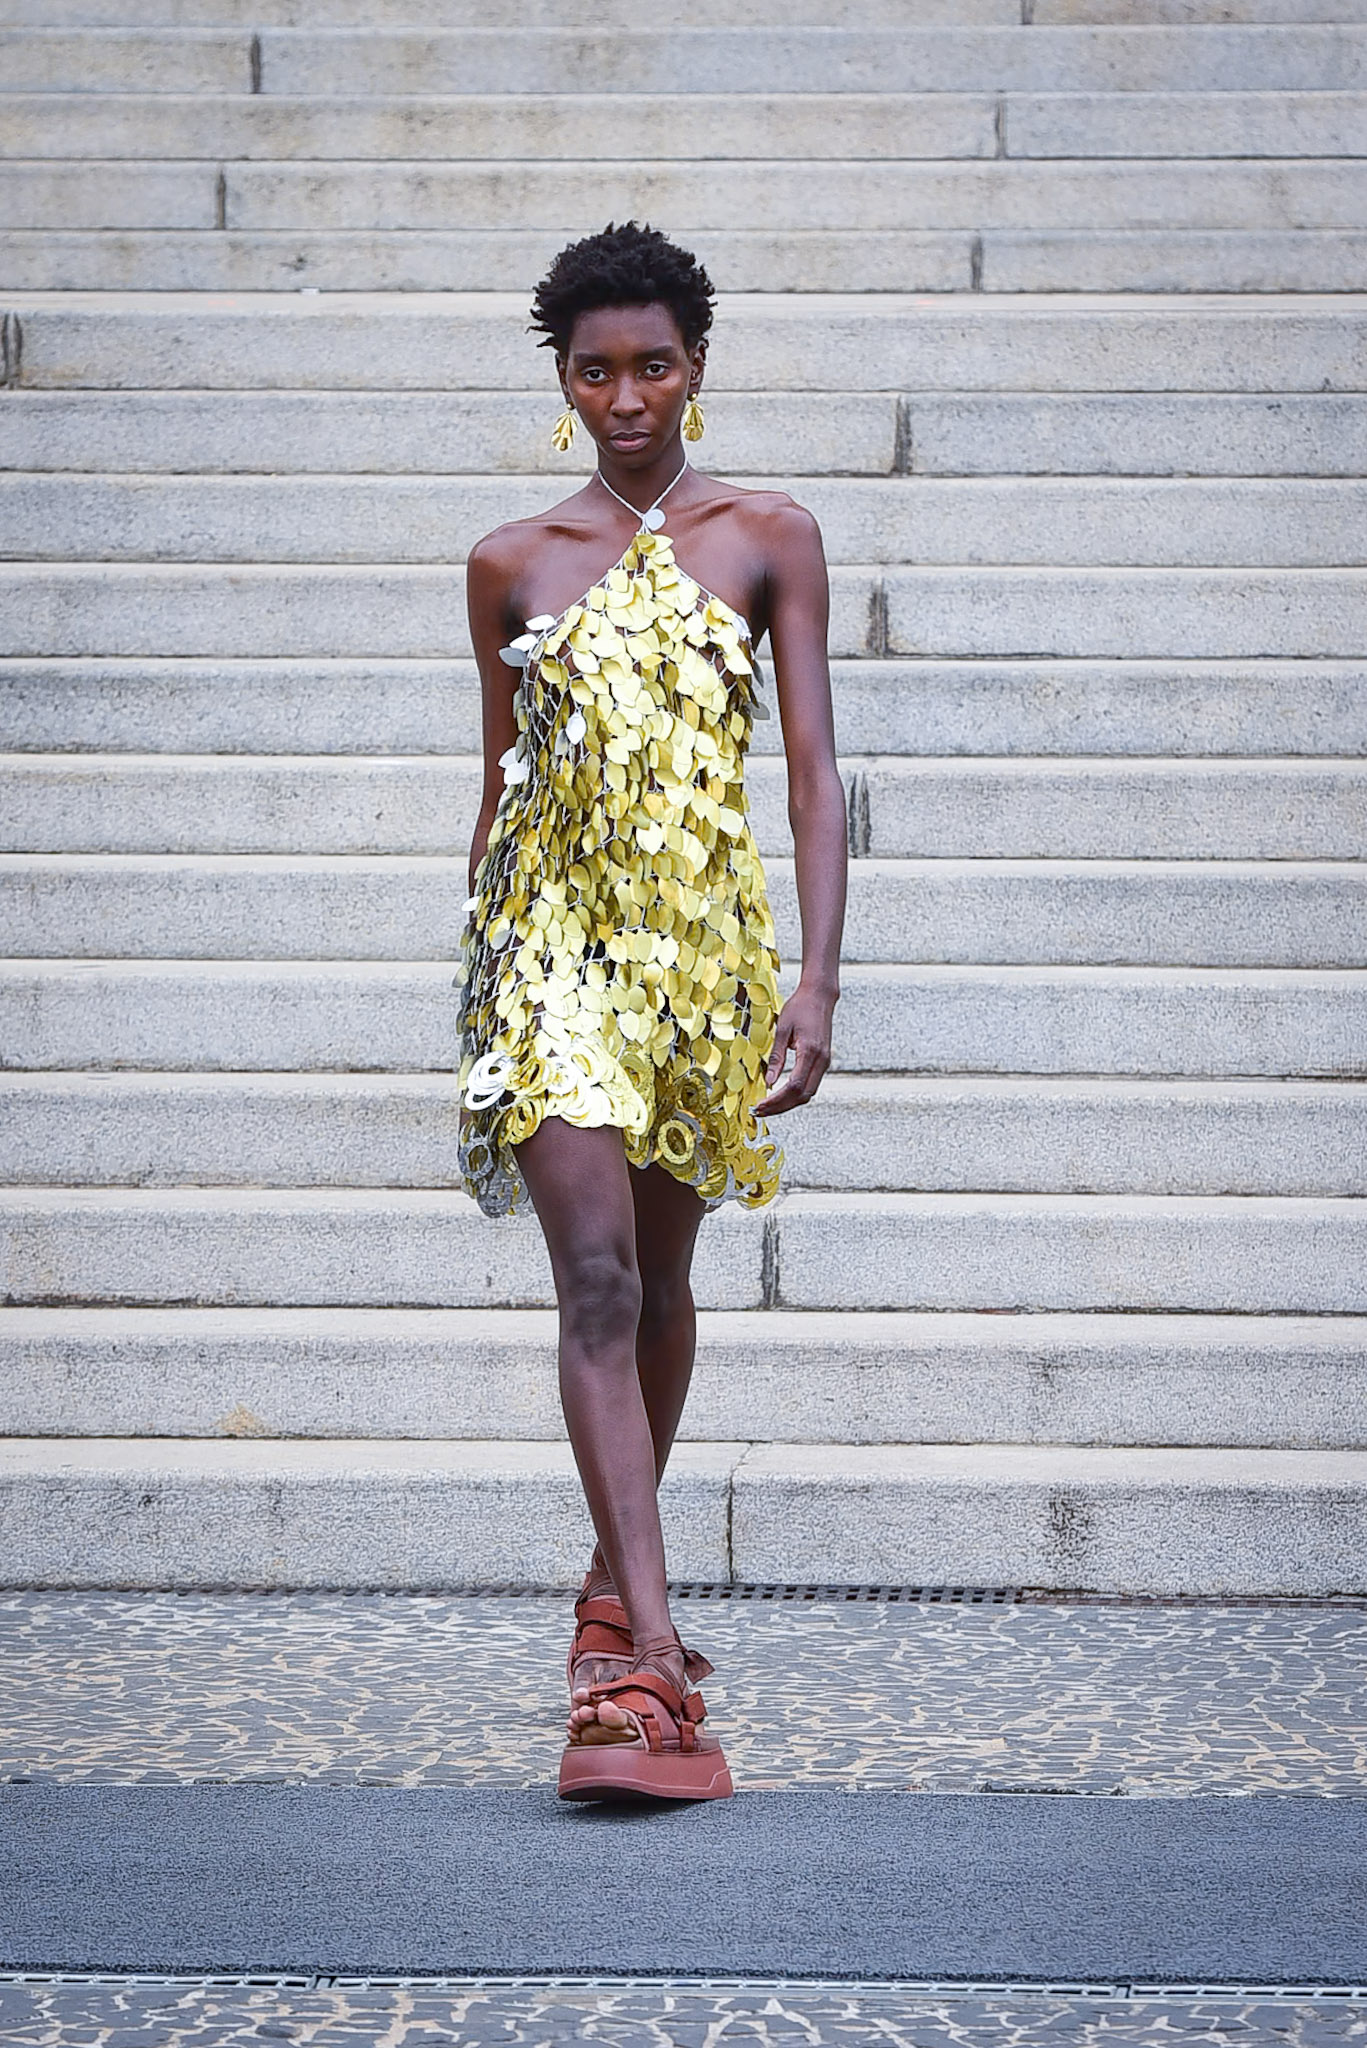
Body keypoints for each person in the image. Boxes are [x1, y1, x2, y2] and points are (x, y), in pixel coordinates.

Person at [456, 221, 847, 1801]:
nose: (626, 395)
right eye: (595, 369)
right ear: (564, 379)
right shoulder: (506, 563)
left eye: (654, 365)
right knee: (601, 1283)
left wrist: (814, 976)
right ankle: (649, 1666)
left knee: (669, 1281)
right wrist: (471, 973)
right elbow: (495, 785)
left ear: (699, 365)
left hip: (703, 961)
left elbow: (815, 768)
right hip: (546, 954)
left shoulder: (770, 536)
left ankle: (613, 1593)